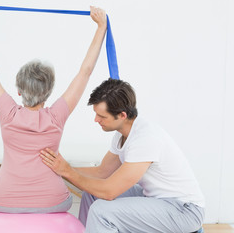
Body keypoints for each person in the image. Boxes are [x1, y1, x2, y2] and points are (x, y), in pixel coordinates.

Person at [0, 0, 107, 213]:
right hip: (52, 201)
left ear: (19, 91)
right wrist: (101, 27)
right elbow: (85, 71)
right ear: (49, 92)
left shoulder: (8, 112)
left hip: (3, 199)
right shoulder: (57, 115)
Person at [40, 78, 205, 232]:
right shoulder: (122, 133)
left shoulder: (145, 138)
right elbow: (102, 173)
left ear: (122, 115)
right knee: (92, 194)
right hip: (155, 198)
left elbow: (109, 191)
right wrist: (59, 169)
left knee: (101, 210)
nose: (96, 120)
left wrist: (67, 171)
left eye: (102, 116)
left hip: (184, 210)